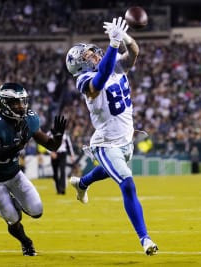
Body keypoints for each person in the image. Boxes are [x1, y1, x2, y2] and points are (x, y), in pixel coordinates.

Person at [65, 17, 158, 255]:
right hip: (106, 144)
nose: (93, 55)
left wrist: (124, 38)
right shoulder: (84, 81)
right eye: (87, 56)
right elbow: (101, 79)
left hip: (126, 140)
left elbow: (135, 53)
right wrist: (113, 45)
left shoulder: (113, 62)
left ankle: (81, 183)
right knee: (127, 183)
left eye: (92, 52)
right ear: (80, 65)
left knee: (109, 170)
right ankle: (145, 239)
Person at [0, 82, 67, 256]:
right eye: (15, 103)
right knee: (12, 219)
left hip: (14, 174)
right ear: (4, 103)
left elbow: (51, 146)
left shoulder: (30, 119)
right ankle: (26, 242)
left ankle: (16, 200)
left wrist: (58, 137)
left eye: (22, 101)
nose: (21, 106)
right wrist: (19, 143)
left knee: (37, 210)